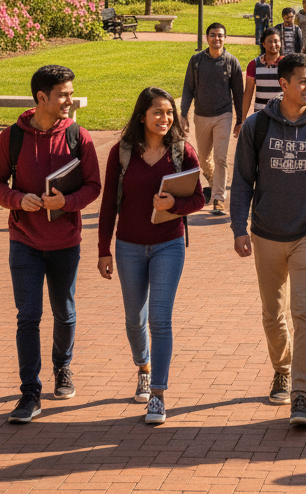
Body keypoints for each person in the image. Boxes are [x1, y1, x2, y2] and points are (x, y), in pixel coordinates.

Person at [230, 52, 306, 427]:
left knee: (305, 313)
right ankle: (281, 368)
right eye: (303, 81)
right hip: (265, 233)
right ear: (283, 84)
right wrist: (239, 227)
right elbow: (241, 181)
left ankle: (301, 394)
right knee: (273, 314)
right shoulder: (257, 127)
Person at [0, 65, 102, 423]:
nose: (70, 100)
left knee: (64, 312)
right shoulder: (11, 138)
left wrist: (65, 203)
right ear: (42, 97)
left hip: (65, 242)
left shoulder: (79, 136)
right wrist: (18, 199)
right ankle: (30, 393)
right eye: (64, 94)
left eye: (70, 93)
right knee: (28, 316)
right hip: (24, 241)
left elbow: (93, 186)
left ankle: (62, 367)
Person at [97, 87, 204, 425]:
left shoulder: (182, 152)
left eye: (169, 112)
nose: (164, 118)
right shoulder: (122, 153)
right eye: (158, 112)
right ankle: (142, 366)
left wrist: (177, 206)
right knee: (134, 318)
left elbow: (199, 198)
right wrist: (104, 250)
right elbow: (108, 206)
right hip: (128, 245)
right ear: (142, 114)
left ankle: (157, 394)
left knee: (159, 318)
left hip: (168, 245)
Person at [180, 23, 244, 216]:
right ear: (207, 38)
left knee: (221, 158)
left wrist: (240, 119)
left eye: (221, 36)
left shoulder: (231, 62)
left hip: (223, 115)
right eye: (213, 35)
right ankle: (212, 180)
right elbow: (188, 88)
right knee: (203, 159)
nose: (217, 39)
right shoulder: (196, 61)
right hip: (201, 115)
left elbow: (238, 94)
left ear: (225, 38)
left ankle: (218, 198)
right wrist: (183, 114)